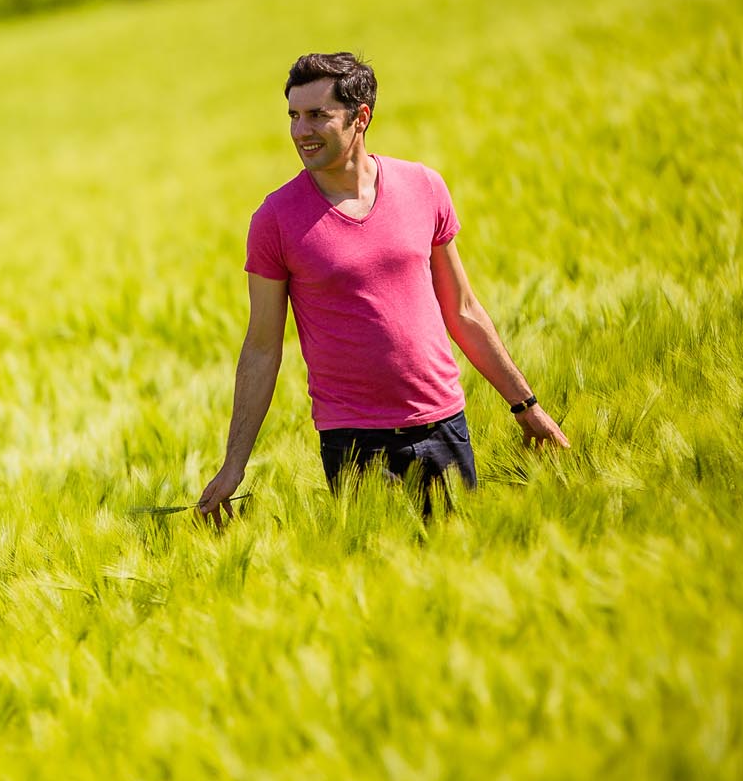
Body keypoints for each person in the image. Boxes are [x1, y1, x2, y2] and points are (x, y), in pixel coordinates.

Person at [198, 52, 569, 521]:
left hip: (444, 425)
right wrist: (234, 466)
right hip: (355, 445)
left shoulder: (423, 186)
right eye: (293, 115)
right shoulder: (274, 220)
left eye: (317, 115)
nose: (300, 131)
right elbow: (261, 348)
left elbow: (464, 310)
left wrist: (526, 405)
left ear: (361, 117)